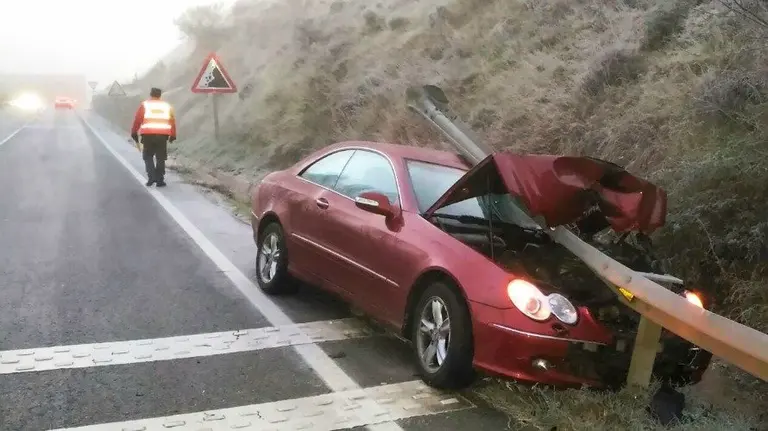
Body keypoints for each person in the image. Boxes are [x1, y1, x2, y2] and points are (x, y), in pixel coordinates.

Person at [131, 87, 177, 187]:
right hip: (162, 136)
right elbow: (172, 120)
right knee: (161, 158)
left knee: (148, 156)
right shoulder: (166, 106)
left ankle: (151, 177)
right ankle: (160, 180)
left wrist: (134, 132)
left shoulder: (145, 105)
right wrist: (173, 134)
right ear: (160, 95)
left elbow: (138, 119)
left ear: (151, 94)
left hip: (148, 135)